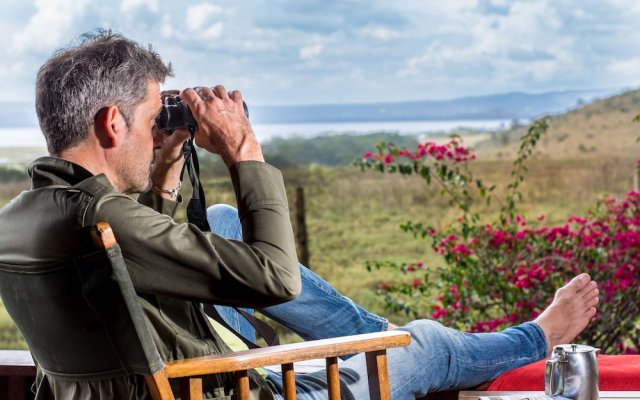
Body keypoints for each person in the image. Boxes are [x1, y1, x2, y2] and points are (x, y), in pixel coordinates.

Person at [0, 31, 599, 400]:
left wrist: (164, 171)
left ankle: (370, 335)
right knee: (424, 345)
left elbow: (135, 271)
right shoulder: (103, 216)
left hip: (139, 381)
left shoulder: (25, 217)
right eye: (155, 114)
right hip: (221, 388)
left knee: (226, 221)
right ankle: (536, 337)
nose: (162, 125)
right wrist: (244, 151)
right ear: (111, 122)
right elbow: (276, 279)